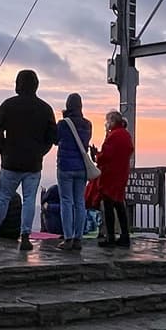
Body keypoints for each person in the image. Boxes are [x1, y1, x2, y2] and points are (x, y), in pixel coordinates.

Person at [0, 69, 57, 251]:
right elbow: (52, 137)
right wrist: (40, 152)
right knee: (29, 200)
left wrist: (3, 150)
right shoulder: (45, 108)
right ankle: (25, 236)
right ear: (36, 85)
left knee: (2, 198)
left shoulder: (8, 105)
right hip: (33, 163)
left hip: (10, 161)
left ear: (18, 84)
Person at [54, 93, 91, 251]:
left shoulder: (63, 124)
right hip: (81, 168)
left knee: (66, 202)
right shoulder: (88, 124)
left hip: (65, 167)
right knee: (80, 203)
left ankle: (68, 238)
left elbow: (56, 140)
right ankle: (78, 238)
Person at [95, 110, 133, 248]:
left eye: (108, 121)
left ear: (112, 121)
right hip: (121, 173)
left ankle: (110, 237)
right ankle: (125, 236)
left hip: (110, 175)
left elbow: (105, 156)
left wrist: (96, 155)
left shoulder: (113, 136)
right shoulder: (126, 135)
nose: (107, 124)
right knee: (119, 204)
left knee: (109, 205)